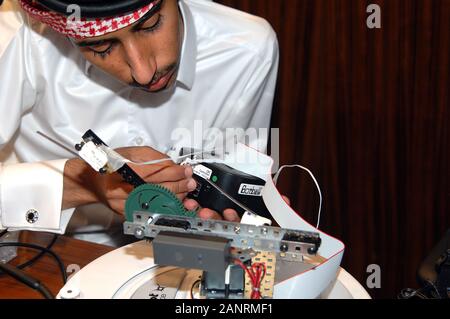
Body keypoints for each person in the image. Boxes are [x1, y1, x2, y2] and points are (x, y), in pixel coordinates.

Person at [0, 0, 279, 245]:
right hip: (36, 248)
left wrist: (225, 208)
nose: (144, 73)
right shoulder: (21, 37)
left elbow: (235, 185)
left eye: (151, 25)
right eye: (100, 45)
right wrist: (81, 183)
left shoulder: (246, 50)